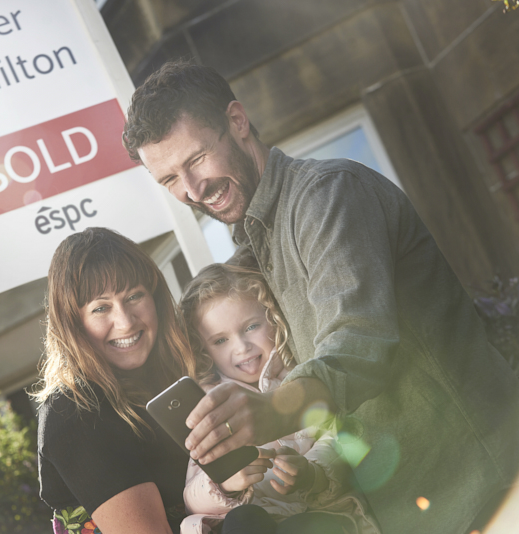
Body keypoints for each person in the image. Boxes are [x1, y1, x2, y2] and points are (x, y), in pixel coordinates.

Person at [122, 60, 519, 533]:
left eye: (196, 159)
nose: (191, 190)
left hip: (485, 482)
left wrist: (271, 411)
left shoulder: (327, 195)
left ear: (237, 121)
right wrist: (311, 477)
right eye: (169, 180)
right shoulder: (256, 247)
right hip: (416, 509)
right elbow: (351, 417)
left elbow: (359, 345)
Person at [34, 227, 275, 534]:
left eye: (134, 296)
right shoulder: (73, 410)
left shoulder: (187, 373)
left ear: (155, 298)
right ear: (73, 323)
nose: (125, 322)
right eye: (101, 308)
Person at [178, 262, 379, 534]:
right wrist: (223, 484)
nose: (241, 347)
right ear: (205, 351)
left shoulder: (303, 377)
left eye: (251, 327)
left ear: (272, 318)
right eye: (220, 341)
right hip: (251, 522)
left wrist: (312, 475)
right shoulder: (210, 404)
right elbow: (192, 495)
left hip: (318, 514)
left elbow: (337, 435)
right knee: (242, 522)